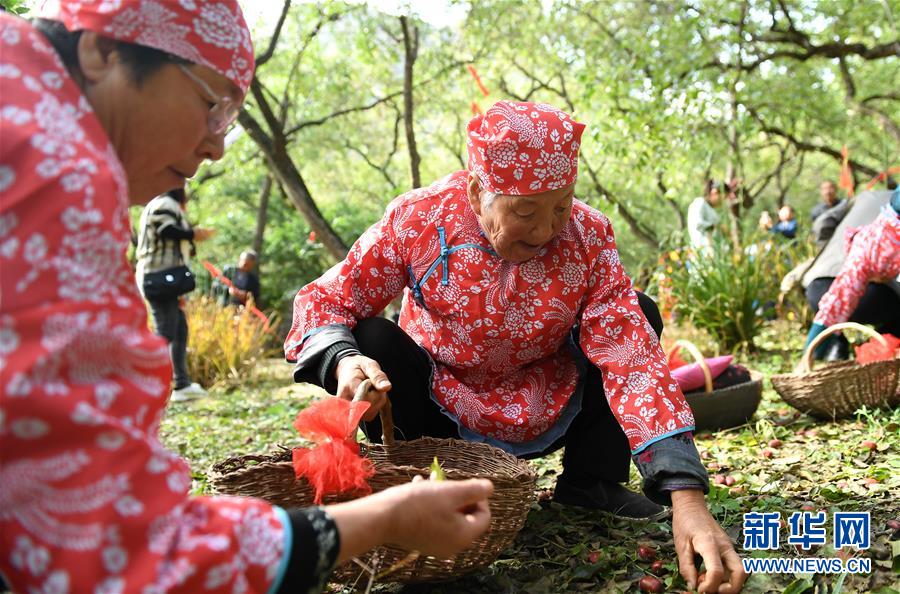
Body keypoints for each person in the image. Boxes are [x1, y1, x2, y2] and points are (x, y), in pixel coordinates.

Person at [0, 4, 492, 593]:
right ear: (102, 51)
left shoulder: (25, 99)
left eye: (231, 116)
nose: (219, 148)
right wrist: (380, 519)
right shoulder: (55, 169)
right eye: (213, 105)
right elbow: (108, 540)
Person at [286, 100, 747, 594]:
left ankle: (590, 482)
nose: (548, 229)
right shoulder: (418, 219)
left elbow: (630, 356)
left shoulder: (588, 235)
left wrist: (687, 498)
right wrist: (345, 359)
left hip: (547, 391)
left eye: (562, 206)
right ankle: (419, 490)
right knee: (372, 337)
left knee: (639, 309)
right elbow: (325, 298)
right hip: (439, 400)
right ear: (477, 190)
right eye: (526, 210)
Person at [801, 188, 900, 360]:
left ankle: (827, 350)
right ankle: (878, 347)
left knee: (835, 306)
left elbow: (823, 224)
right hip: (874, 294)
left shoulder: (866, 231)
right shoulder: (877, 245)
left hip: (817, 286)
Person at [136, 187, 213, 400]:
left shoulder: (163, 205)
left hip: (166, 277)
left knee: (179, 329)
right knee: (166, 332)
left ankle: (181, 384)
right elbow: (166, 230)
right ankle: (149, 383)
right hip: (159, 275)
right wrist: (193, 234)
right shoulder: (164, 203)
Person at [686, 179, 722, 251]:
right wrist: (715, 226)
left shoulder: (712, 209)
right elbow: (698, 224)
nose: (722, 201)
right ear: (714, 192)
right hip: (703, 249)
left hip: (713, 250)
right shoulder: (699, 203)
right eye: (722, 197)